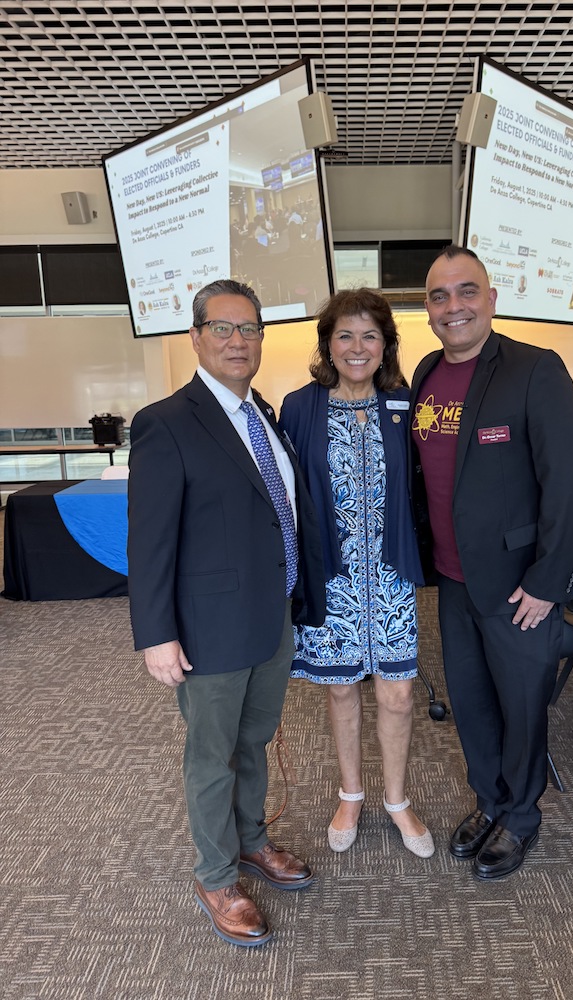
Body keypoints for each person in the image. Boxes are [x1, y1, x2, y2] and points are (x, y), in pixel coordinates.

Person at [127, 279, 325, 948]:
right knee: (212, 756)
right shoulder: (167, 421)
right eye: (223, 328)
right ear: (196, 336)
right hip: (209, 630)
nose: (238, 341)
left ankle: (250, 843)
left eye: (249, 329)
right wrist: (156, 634)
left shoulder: (260, 412)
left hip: (271, 620)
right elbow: (149, 538)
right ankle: (215, 875)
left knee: (253, 742)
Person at [409, 246, 573, 880]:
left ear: (491, 298)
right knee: (472, 703)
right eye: (439, 295)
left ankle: (520, 816)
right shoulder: (427, 372)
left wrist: (546, 580)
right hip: (452, 582)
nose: (453, 305)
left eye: (466, 291)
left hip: (519, 586)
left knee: (521, 706)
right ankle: (489, 800)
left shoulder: (535, 369)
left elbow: (566, 484)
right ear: (427, 310)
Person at [280, 289, 434, 859]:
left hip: (389, 577)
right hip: (331, 579)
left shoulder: (404, 403)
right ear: (327, 344)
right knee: (341, 688)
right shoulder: (299, 407)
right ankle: (350, 794)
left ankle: (396, 800)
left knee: (397, 694)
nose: (357, 346)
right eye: (344, 334)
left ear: (387, 345)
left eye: (370, 335)